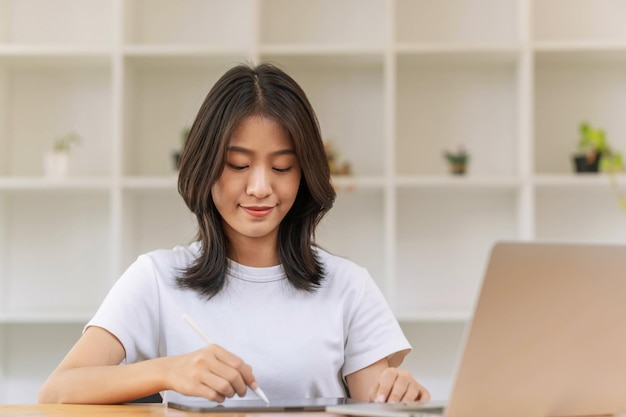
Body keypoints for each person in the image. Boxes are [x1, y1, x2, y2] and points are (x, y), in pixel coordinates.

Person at [38, 62, 430, 405]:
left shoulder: (348, 287)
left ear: (304, 175)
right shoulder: (156, 278)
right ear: (206, 167)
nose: (260, 187)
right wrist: (168, 371)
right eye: (238, 165)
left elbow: (377, 402)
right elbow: (57, 390)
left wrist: (398, 395)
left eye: (281, 168)